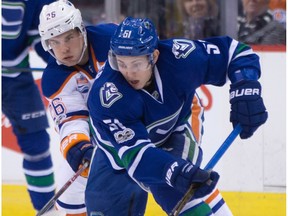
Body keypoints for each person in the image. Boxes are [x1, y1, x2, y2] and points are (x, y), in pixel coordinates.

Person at [86, 17, 268, 215]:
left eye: (136, 64)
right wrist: (176, 171)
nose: (128, 72)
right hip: (114, 152)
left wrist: (246, 88)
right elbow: (138, 158)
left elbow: (235, 52)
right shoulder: (106, 96)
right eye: (121, 63)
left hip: (172, 133)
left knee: (174, 192)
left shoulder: (180, 57)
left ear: (154, 56)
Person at [38, 1, 149, 215]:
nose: (64, 48)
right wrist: (81, 150)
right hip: (107, 136)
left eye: (69, 37)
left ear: (82, 30)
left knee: (177, 184)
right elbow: (71, 121)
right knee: (69, 189)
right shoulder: (54, 78)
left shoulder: (113, 40)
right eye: (55, 41)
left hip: (150, 120)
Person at [2, 0, 56, 213]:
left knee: (37, 146)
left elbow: (43, 39)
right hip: (15, 76)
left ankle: (46, 210)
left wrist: (68, 62)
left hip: (15, 78)